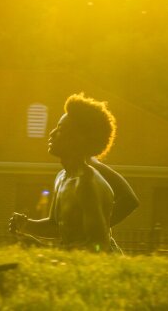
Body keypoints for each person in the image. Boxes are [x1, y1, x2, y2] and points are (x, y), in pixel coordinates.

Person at [9, 93, 118, 253]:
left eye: (61, 129)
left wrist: (43, 249)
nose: (52, 133)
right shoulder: (62, 177)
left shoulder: (86, 184)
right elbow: (56, 226)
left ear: (79, 139)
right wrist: (27, 225)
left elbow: (98, 245)